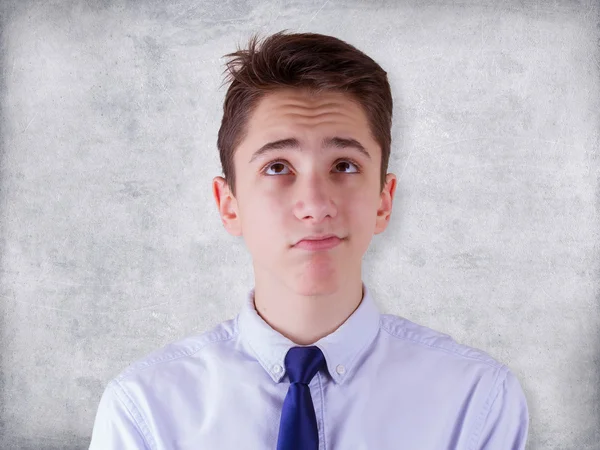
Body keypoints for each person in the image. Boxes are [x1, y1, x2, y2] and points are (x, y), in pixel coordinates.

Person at [89, 30, 529, 449]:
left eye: (345, 165)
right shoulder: (144, 410)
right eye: (278, 167)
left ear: (383, 200)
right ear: (229, 205)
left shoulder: (477, 401)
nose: (316, 205)